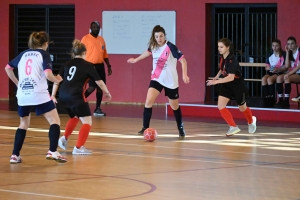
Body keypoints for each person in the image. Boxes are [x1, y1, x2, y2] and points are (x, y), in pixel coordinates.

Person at [5, 31, 67, 163]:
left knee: (23, 123)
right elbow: (48, 74)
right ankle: (53, 151)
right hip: (38, 93)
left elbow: (7, 68)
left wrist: (18, 83)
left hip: (22, 94)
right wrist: (57, 79)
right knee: (54, 121)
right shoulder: (44, 54)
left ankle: (15, 155)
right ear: (45, 44)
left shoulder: (23, 54)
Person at [51, 39, 112, 155]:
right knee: (87, 122)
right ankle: (78, 148)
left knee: (75, 116)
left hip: (63, 96)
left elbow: (56, 81)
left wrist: (53, 95)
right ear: (85, 53)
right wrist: (107, 92)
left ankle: (64, 139)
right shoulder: (88, 66)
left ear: (74, 53)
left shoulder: (66, 64)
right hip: (76, 96)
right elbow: (99, 82)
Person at [127, 25, 189, 137]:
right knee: (148, 102)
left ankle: (180, 128)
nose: (159, 38)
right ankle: (145, 128)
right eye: (157, 36)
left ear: (164, 36)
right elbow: (147, 52)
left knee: (174, 106)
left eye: (161, 36)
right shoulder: (153, 46)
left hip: (170, 81)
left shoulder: (170, 47)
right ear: (154, 37)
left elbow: (183, 61)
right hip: (157, 78)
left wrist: (184, 74)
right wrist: (136, 59)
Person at [206, 38, 257, 137]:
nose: (219, 49)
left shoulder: (232, 60)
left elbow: (230, 77)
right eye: (218, 47)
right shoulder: (222, 58)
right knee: (221, 106)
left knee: (242, 108)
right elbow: (222, 69)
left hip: (237, 85)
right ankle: (233, 126)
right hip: (227, 85)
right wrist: (216, 77)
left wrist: (215, 82)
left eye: (221, 47)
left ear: (228, 47)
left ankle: (251, 121)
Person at [81, 21, 112, 116]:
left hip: (100, 66)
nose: (96, 29)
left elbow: (105, 54)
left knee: (100, 88)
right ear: (91, 28)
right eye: (94, 27)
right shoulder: (85, 39)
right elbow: (80, 53)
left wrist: (109, 66)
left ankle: (97, 109)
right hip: (89, 66)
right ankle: (80, 102)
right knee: (92, 87)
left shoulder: (101, 39)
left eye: (97, 27)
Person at [275, 36, 300, 108]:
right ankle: (280, 100)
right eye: (288, 44)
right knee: (279, 78)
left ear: (296, 44)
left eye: (292, 44)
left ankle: (286, 101)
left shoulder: (299, 51)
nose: (290, 46)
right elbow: (287, 65)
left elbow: (299, 66)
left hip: (298, 73)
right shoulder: (289, 53)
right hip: (294, 73)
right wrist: (287, 52)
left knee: (287, 78)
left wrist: (288, 74)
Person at [261, 39, 286, 107]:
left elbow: (285, 67)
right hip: (271, 72)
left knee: (269, 79)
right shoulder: (270, 54)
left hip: (280, 72)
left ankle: (272, 99)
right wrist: (268, 68)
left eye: (276, 46)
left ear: (280, 46)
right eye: (273, 46)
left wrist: (277, 69)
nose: (274, 47)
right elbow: (266, 66)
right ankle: (267, 98)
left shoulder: (284, 54)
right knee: (263, 79)